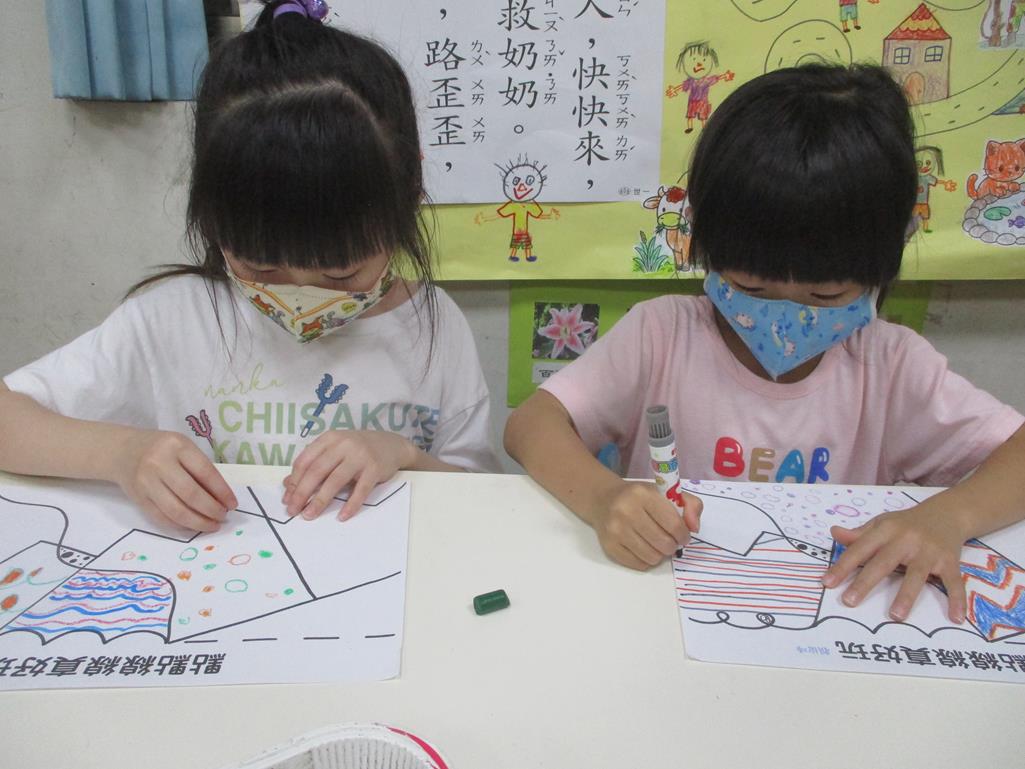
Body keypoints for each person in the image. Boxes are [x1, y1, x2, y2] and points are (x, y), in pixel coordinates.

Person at [505, 63, 1025, 624]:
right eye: (750, 286)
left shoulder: (891, 364)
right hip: (663, 609)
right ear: (704, 239)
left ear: (883, 263)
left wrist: (949, 515)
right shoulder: (661, 334)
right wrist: (604, 497)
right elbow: (530, 425)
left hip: (826, 616)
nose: (784, 314)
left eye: (825, 294)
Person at [0, 0, 497, 533]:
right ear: (212, 214)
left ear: (410, 194)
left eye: (341, 275)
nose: (301, 296)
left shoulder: (434, 328)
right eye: (262, 267)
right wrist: (121, 453)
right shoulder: (169, 320)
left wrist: (405, 455)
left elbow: (486, 498)